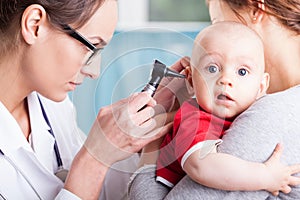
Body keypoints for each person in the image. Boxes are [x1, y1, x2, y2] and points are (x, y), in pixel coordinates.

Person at [0, 0, 187, 199]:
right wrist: (94, 159)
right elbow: (86, 171)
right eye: (92, 46)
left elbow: (92, 189)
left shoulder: (54, 106)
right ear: (34, 25)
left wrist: (133, 135)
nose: (93, 72)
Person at [128, 0, 300, 199]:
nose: (226, 80)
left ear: (256, 8)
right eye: (212, 68)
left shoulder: (273, 113)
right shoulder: (205, 115)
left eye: (217, 21)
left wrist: (153, 145)